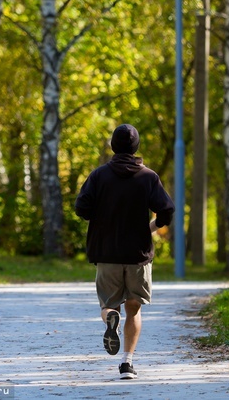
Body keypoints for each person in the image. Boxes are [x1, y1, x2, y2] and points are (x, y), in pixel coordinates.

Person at [74, 124, 174, 380]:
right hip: (137, 255)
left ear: (112, 146)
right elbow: (166, 210)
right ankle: (127, 363)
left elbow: (82, 207)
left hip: (106, 253)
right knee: (134, 308)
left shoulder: (98, 176)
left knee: (109, 305)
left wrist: (102, 219)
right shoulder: (148, 177)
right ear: (136, 146)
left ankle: (111, 318)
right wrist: (150, 227)